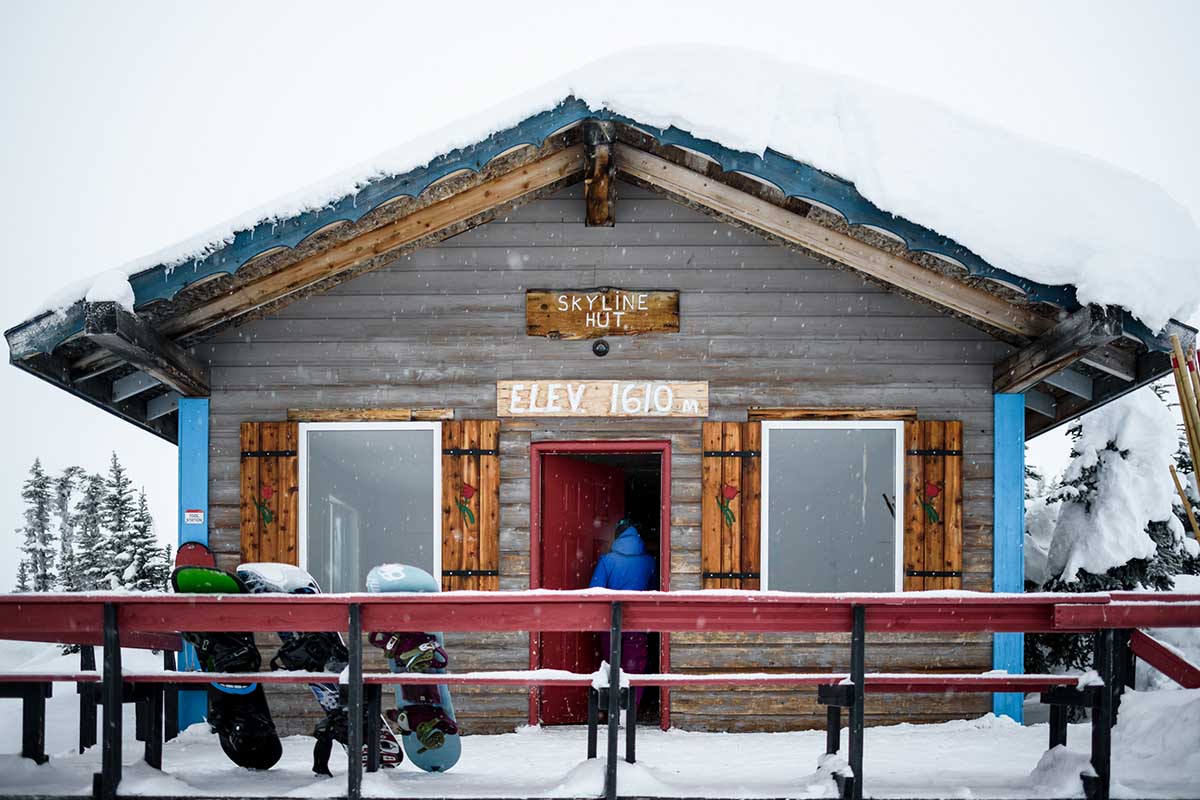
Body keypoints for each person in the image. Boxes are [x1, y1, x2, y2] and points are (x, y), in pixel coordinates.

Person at [589, 518, 656, 713]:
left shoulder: (607, 560)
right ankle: (631, 708)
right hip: (638, 621)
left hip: (610, 621)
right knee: (635, 665)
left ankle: (611, 709)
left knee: (611, 664)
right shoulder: (649, 561)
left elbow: (595, 590)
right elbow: (654, 590)